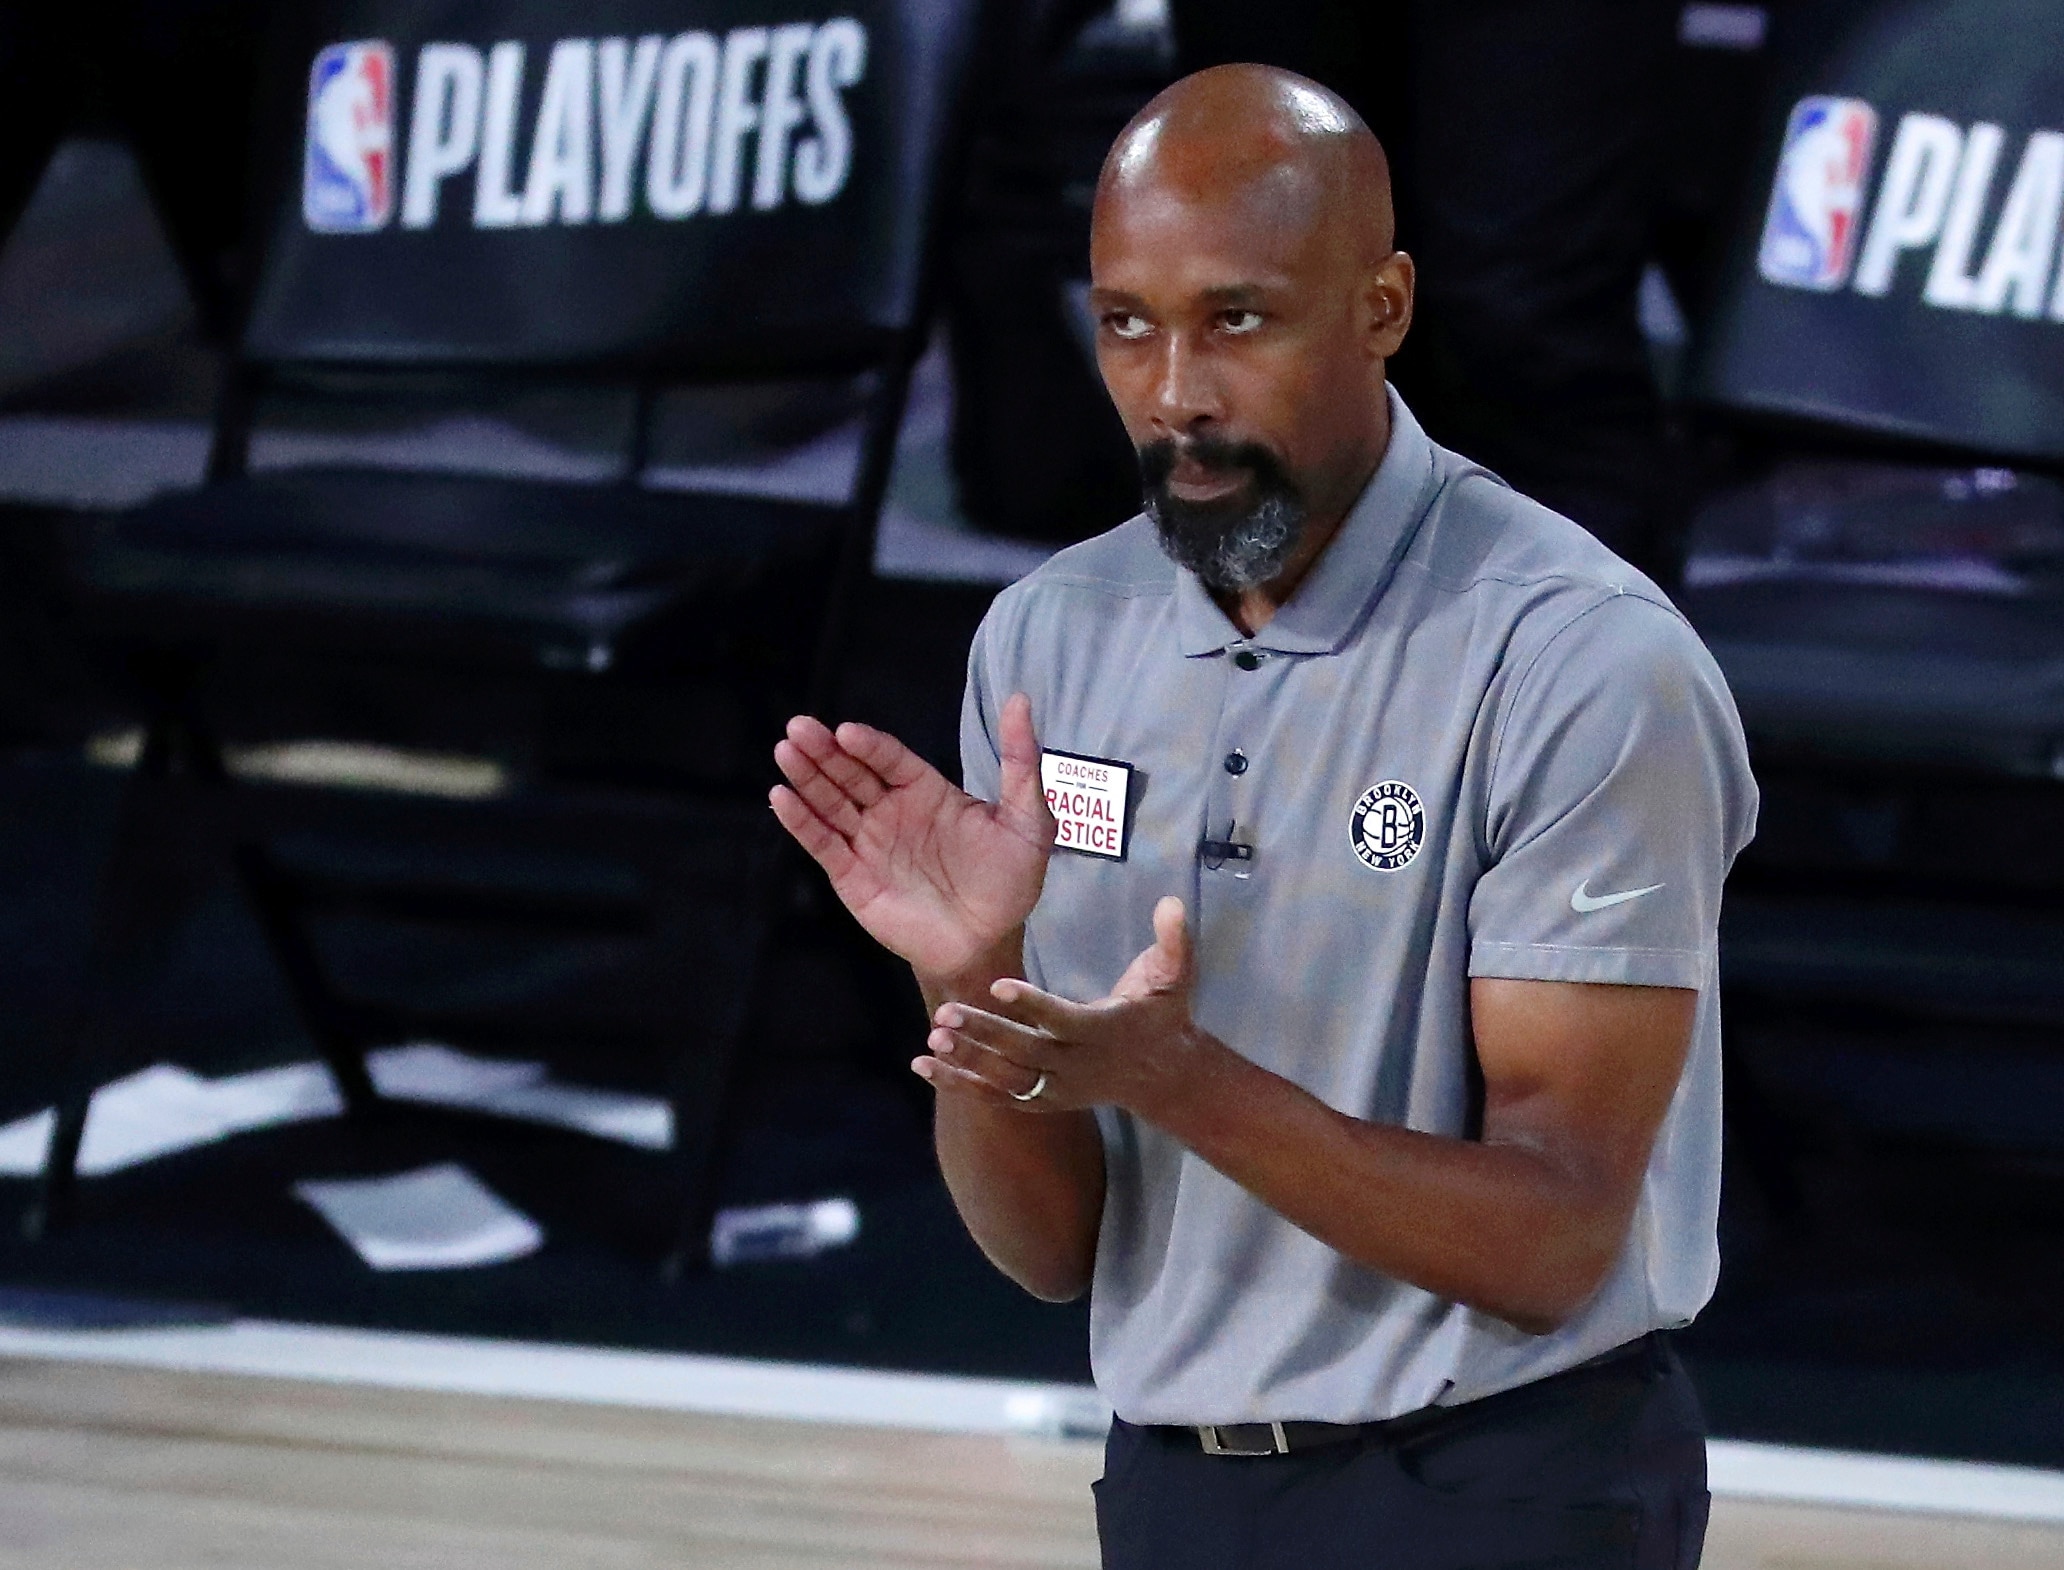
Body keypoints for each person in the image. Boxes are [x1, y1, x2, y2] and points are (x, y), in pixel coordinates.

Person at [772, 65, 1754, 1570]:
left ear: (1384, 305)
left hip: (1503, 1487)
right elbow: (1052, 1256)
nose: (1176, 391)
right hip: (1175, 1487)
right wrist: (970, 986)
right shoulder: (1047, 642)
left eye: (1237, 318)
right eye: (1126, 323)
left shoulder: (1581, 662)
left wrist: (1180, 1079)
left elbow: (1553, 1238)